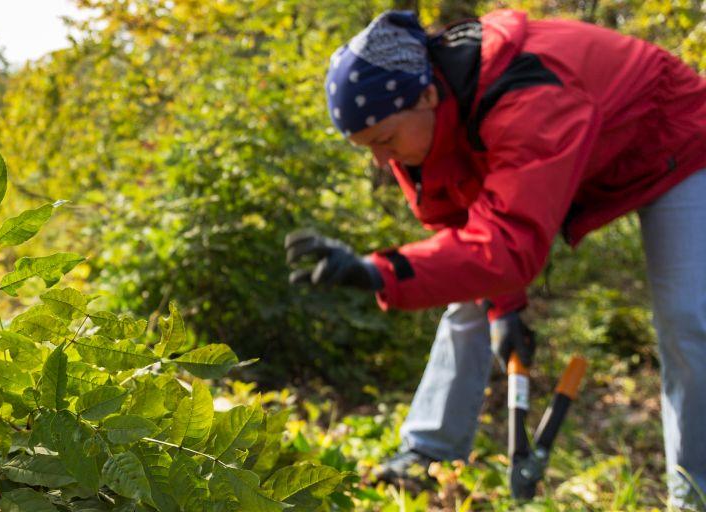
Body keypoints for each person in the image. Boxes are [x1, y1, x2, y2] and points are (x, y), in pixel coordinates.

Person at [286, 10, 706, 507]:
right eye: (367, 148)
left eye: (383, 141)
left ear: (426, 96)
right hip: (591, 157)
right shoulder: (422, 129)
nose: (382, 161)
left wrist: (378, 270)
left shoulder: (528, 93)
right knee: (464, 294)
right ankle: (428, 452)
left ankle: (694, 493)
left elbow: (507, 244)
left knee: (688, 319)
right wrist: (504, 310)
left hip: (676, 139)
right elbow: (462, 236)